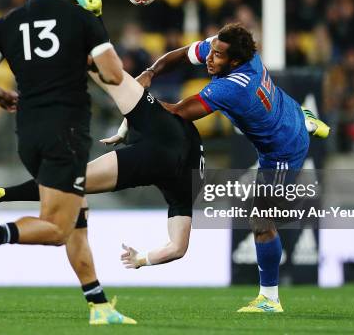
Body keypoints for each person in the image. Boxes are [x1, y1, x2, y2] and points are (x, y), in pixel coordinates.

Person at [0, 0, 204, 271]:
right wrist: (140, 260)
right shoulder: (184, 197)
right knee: (71, 185)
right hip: (157, 159)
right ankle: (2, 194)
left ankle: (92, 16)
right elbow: (178, 249)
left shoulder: (185, 149)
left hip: (160, 131)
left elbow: (172, 111)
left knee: (110, 77)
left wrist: (129, 122)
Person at [0, 0, 134, 325]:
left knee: (76, 219)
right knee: (57, 228)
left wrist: (1, 94)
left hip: (29, 134)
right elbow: (115, 75)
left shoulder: (5, 24)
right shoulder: (80, 19)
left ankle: (99, 306)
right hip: (67, 132)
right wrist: (96, 27)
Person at [134, 24, 329, 313]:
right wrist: (151, 71)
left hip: (283, 151)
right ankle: (306, 119)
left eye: (216, 56)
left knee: (261, 221)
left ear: (234, 62)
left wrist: (133, 100)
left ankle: (269, 300)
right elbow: (186, 53)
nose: (209, 59)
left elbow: (177, 113)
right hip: (285, 111)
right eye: (211, 52)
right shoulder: (234, 51)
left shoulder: (232, 87)